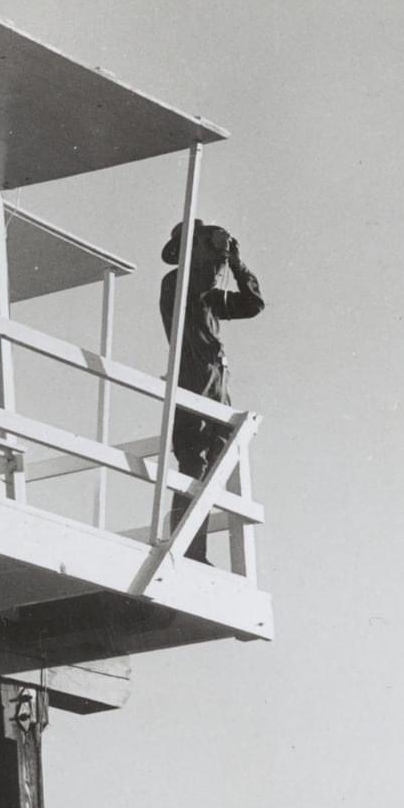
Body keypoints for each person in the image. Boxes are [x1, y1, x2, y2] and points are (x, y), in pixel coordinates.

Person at [159, 220, 264, 561]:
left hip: (214, 381)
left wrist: (235, 262)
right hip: (193, 376)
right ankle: (188, 548)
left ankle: (194, 549)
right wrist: (217, 256)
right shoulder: (177, 283)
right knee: (194, 460)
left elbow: (252, 304)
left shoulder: (205, 292)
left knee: (214, 461)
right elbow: (201, 280)